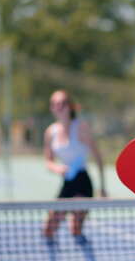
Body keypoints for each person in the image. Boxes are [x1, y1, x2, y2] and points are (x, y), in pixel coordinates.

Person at [43, 89, 107, 244]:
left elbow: (98, 157)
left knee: (75, 228)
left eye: (63, 103)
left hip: (82, 182)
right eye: (55, 104)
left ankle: (81, 241)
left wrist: (102, 187)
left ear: (70, 106)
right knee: (48, 229)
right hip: (67, 183)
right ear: (51, 108)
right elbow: (48, 162)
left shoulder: (81, 127)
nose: (59, 107)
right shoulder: (50, 132)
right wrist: (58, 168)